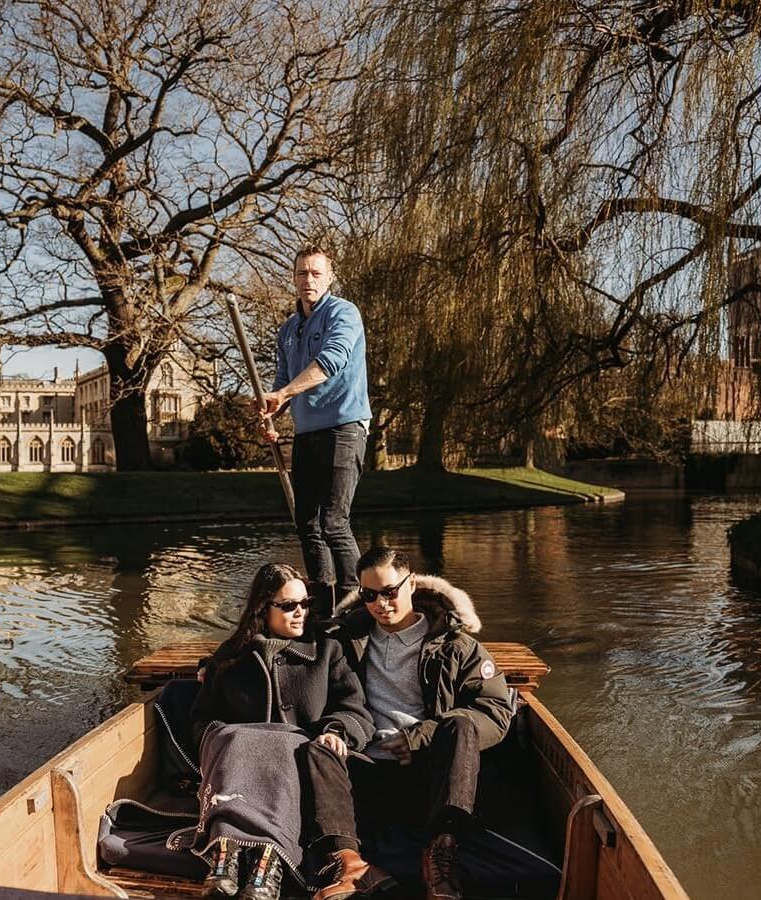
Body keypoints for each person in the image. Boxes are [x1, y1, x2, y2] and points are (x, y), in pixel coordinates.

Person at [302, 548, 515, 900]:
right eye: (369, 595)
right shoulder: (344, 636)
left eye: (389, 592)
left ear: (411, 583)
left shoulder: (456, 645)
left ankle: (441, 855)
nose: (380, 604)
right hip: (366, 767)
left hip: (426, 771)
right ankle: (350, 864)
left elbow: (495, 712)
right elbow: (284, 638)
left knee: (462, 725)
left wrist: (423, 736)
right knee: (318, 749)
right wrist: (216, 663)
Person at [188, 564, 392, 900]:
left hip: (301, 772)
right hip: (241, 774)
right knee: (236, 737)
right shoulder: (229, 659)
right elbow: (202, 720)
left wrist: (336, 730)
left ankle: (267, 864)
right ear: (262, 609)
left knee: (284, 743)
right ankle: (227, 856)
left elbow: (355, 708)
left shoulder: (327, 649)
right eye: (288, 606)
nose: (300, 612)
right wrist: (220, 738)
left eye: (305, 603)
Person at [261, 245, 372, 603]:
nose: (309, 280)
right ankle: (324, 604)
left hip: (344, 425)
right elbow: (282, 382)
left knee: (334, 522)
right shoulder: (288, 329)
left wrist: (285, 393)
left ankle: (357, 601)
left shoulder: (344, 313)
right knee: (306, 523)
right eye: (302, 273)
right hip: (308, 431)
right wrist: (271, 408)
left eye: (316, 273)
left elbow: (331, 362)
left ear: (329, 277)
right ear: (293, 278)